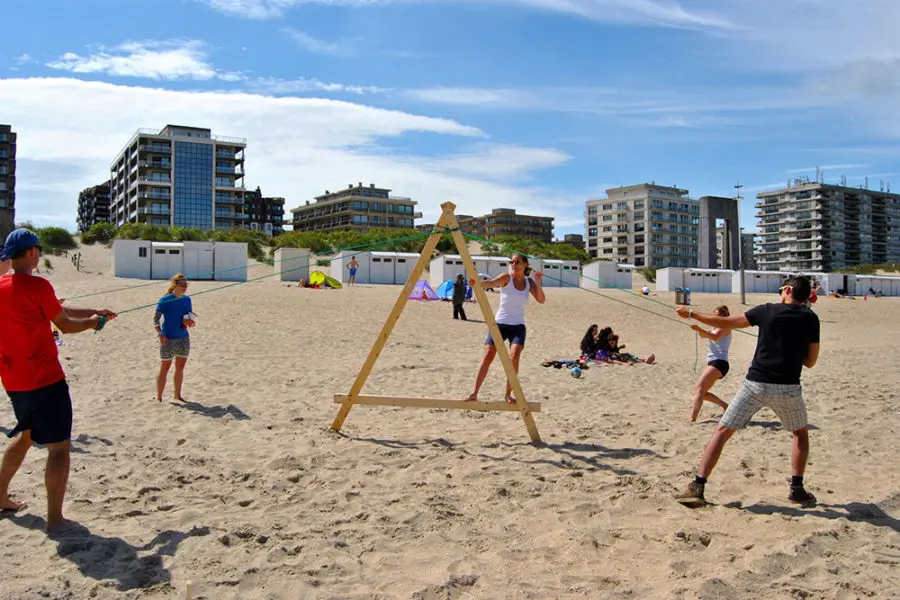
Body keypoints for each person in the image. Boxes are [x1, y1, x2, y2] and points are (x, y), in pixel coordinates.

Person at [0, 229, 116, 531]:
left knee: (26, 437)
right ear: (31, 253)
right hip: (45, 379)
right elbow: (64, 324)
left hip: (14, 380)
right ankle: (55, 520)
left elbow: (55, 310)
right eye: (37, 250)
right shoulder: (38, 285)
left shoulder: (1, 286)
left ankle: (0, 496)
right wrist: (93, 323)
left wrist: (94, 311)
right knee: (59, 447)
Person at [673, 275, 820, 507]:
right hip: (788, 386)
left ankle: (697, 486)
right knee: (800, 433)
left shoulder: (767, 310)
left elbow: (727, 322)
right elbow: (810, 361)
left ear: (788, 290)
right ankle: (797, 488)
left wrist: (692, 313)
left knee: (722, 431)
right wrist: (791, 351)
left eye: (781, 289)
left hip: (756, 384)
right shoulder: (811, 318)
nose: (780, 293)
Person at [464, 253, 545, 403]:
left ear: (525, 265)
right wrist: (477, 282)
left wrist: (538, 283)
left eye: (517, 262)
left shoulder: (529, 282)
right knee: (488, 355)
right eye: (512, 262)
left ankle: (508, 394)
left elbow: (541, 300)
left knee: (514, 356)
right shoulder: (506, 277)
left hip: (518, 326)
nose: (514, 265)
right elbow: (490, 283)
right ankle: (474, 393)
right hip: (500, 324)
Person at [154, 273, 196, 403]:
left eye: (186, 285)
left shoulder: (187, 300)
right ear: (175, 285)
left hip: (183, 338)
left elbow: (188, 318)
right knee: (165, 367)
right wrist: (160, 334)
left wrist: (189, 323)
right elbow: (155, 320)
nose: (184, 287)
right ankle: (159, 397)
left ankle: (177, 395)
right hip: (168, 338)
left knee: (180, 366)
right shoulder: (165, 300)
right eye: (182, 285)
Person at [688, 305, 732, 422]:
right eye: (714, 315)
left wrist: (699, 329)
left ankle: (692, 418)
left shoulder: (725, 327)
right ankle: (725, 405)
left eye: (717, 315)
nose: (714, 317)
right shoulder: (714, 327)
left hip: (720, 362)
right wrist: (698, 330)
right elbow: (704, 335)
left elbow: (715, 337)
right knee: (700, 391)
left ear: (723, 316)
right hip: (713, 362)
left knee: (699, 389)